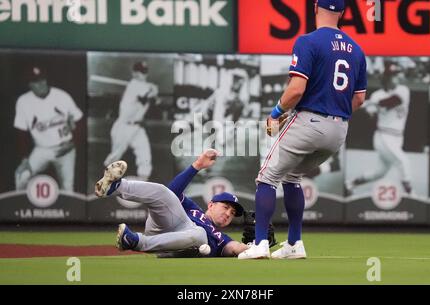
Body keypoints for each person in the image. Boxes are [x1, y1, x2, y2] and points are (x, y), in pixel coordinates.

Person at [238, 0, 367, 259]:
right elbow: (359, 99)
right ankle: (294, 244)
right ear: (342, 13)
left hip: (310, 121)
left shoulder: (308, 41)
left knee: (267, 177)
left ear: (315, 7)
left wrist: (275, 114)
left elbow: (296, 89)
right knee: (292, 177)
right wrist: (334, 115)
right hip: (339, 129)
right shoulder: (356, 49)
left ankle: (260, 243)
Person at [95, 149, 250, 257]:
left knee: (200, 233)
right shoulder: (193, 209)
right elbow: (172, 191)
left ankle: (135, 242)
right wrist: (197, 165)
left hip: (178, 248)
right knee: (163, 192)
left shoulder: (221, 238)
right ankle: (115, 187)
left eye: (232, 214)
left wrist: (256, 246)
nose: (228, 214)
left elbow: (235, 248)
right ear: (211, 204)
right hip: (163, 229)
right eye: (226, 207)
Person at [345, 60, 412, 195]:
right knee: (403, 162)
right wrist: (369, 109)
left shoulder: (403, 90)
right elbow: (371, 115)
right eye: (394, 75)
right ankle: (411, 194)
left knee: (380, 173)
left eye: (398, 74)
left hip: (397, 138)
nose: (398, 77)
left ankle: (351, 183)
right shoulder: (377, 94)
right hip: (384, 137)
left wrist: (372, 103)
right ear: (386, 78)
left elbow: (392, 101)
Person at [14, 66, 83, 191]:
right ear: (29, 85)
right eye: (35, 82)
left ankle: (68, 209)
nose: (40, 85)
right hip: (42, 150)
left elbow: (79, 121)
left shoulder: (62, 96)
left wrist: (73, 144)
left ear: (46, 80)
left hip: (66, 148)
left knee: (68, 187)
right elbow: (21, 132)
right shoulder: (23, 101)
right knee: (21, 176)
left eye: (42, 80)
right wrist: (24, 159)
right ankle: (20, 207)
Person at [103, 61, 157, 181]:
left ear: (145, 74)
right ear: (133, 73)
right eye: (137, 71)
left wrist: (152, 90)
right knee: (114, 158)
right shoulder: (135, 85)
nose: (140, 74)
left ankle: (143, 182)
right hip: (124, 127)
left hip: (137, 127)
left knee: (145, 155)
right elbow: (146, 96)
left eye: (143, 72)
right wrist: (153, 89)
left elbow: (153, 100)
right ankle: (107, 183)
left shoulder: (142, 85)